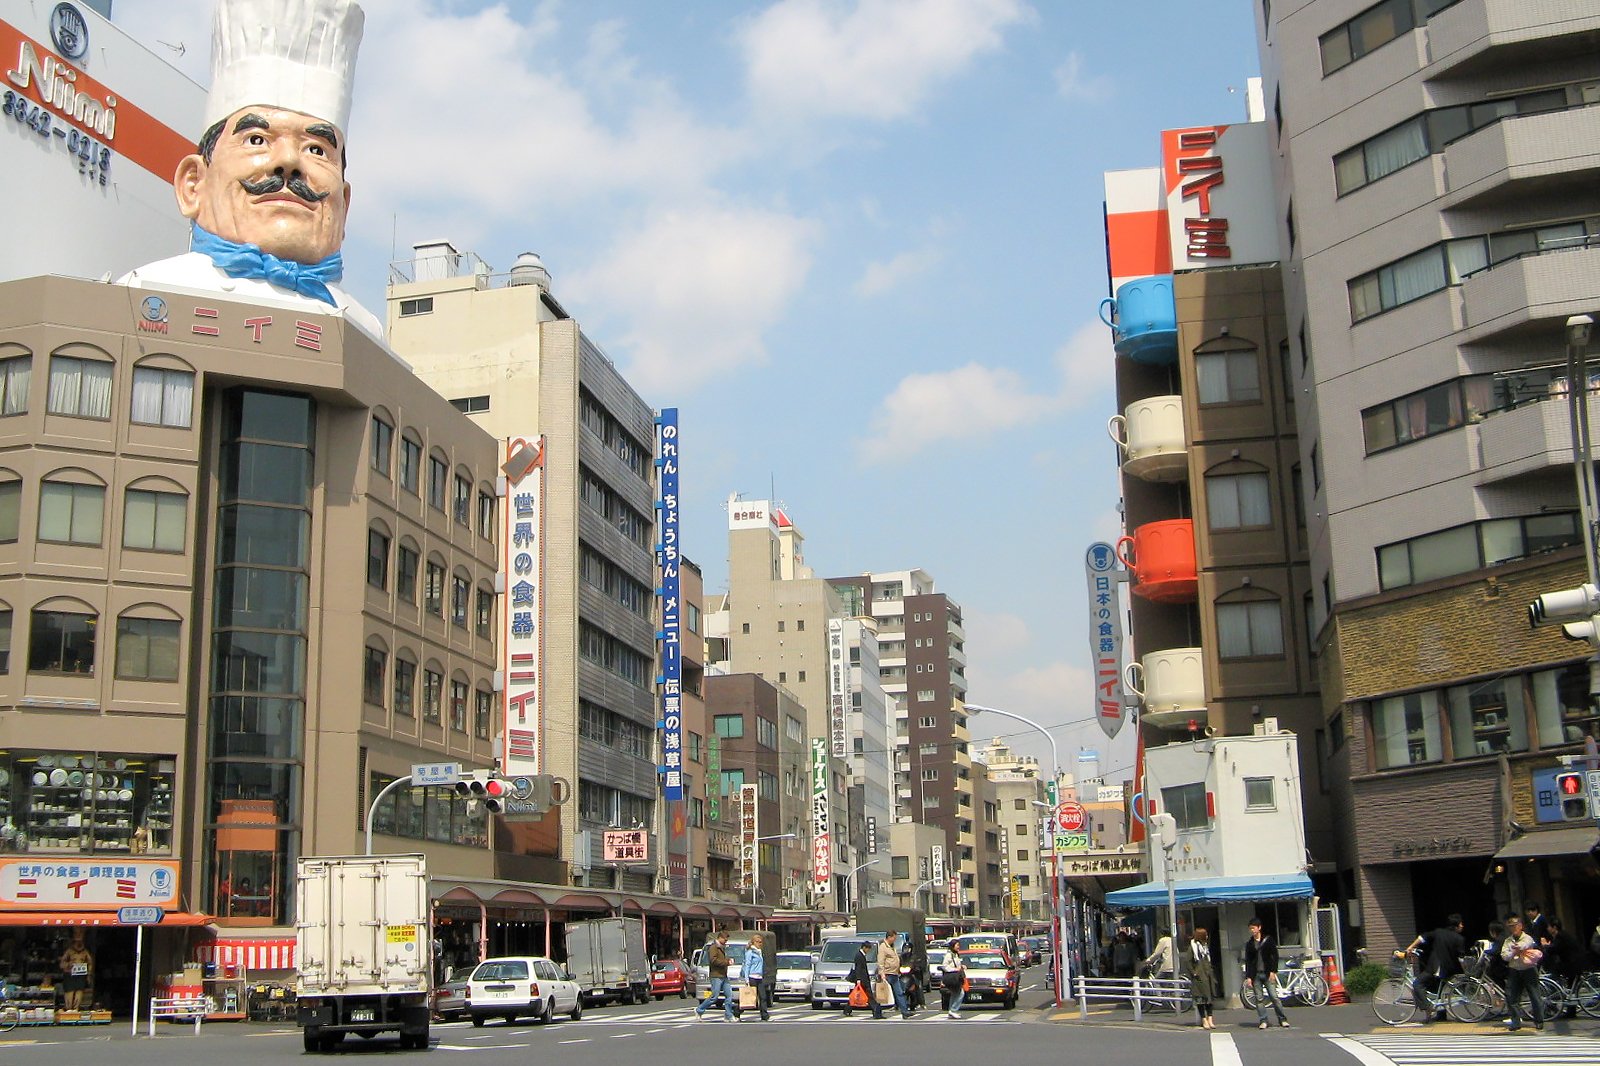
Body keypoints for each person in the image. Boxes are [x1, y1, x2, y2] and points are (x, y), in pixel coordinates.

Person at [117, 0, 384, 340]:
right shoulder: (144, 292)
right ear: (193, 185)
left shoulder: (364, 330)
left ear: (344, 207)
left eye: (316, 149)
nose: (287, 161)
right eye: (257, 139)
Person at [1400, 914, 1466, 1022]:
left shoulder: (1438, 933)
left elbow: (1422, 938)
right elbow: (1461, 958)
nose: (1462, 926)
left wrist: (1410, 947)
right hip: (1450, 969)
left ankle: (1427, 1007)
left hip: (1437, 967)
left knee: (1417, 984)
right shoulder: (1459, 939)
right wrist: (1464, 971)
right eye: (1461, 924)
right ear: (1456, 926)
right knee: (1439, 991)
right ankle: (1441, 1015)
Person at [1500, 914, 1545, 1031]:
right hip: (1514, 970)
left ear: (1520, 926)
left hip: (1528, 969)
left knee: (1534, 995)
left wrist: (1517, 948)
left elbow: (1526, 945)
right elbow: (1504, 955)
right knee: (1512, 996)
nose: (1513, 928)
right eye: (1510, 926)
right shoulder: (1507, 941)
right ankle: (1515, 1021)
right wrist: (1513, 953)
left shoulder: (1527, 938)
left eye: (1515, 925)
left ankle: (1539, 1020)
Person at [1243, 917, 1289, 1029]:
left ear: (1259, 928)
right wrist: (1249, 977)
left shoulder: (1268, 940)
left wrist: (1273, 971)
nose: (1252, 931)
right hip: (1256, 975)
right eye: (1250, 929)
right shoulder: (1249, 944)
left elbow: (1275, 956)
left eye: (1253, 928)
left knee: (1274, 997)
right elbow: (1248, 961)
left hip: (1268, 973)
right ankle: (1263, 1020)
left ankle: (1282, 1019)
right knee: (1259, 999)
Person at [695, 932, 735, 1022]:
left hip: (724, 975)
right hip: (716, 975)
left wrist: (727, 961)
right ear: (720, 938)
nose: (726, 941)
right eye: (725, 940)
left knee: (729, 995)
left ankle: (728, 1015)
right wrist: (726, 962)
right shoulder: (714, 947)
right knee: (714, 996)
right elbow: (713, 960)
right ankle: (699, 1010)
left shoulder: (722, 948)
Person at [877, 931, 912, 1019]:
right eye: (893, 938)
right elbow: (880, 961)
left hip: (895, 973)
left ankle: (905, 1011)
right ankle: (877, 1012)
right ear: (889, 937)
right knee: (884, 994)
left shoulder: (892, 946)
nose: (894, 940)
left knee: (899, 993)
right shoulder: (883, 947)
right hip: (887, 973)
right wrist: (882, 973)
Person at [845, 940, 882, 1019]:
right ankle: (876, 1011)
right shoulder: (859, 955)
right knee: (869, 996)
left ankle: (847, 1009)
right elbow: (858, 968)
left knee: (856, 995)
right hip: (862, 980)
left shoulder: (861, 955)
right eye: (868, 949)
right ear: (864, 947)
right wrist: (858, 979)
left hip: (862, 979)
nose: (868, 951)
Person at [1189, 929, 1217, 1030]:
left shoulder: (1205, 947)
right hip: (1199, 978)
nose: (1207, 937)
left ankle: (1210, 1019)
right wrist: (1194, 972)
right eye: (1205, 935)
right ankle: (1204, 1019)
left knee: (1209, 999)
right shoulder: (1193, 947)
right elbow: (1188, 962)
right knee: (1201, 999)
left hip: (1208, 975)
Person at [1543, 918, 1584, 986]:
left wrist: (1546, 946)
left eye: (1549, 926)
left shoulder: (1560, 936)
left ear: (1554, 927)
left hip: (1573, 962)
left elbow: (1555, 949)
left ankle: (1555, 992)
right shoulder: (1562, 934)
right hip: (1574, 961)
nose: (1547, 928)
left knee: (1555, 970)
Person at [739, 933, 770, 1022]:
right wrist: (747, 979)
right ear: (753, 942)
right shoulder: (750, 952)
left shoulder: (760, 952)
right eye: (758, 942)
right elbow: (747, 965)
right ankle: (737, 1012)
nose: (760, 944)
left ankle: (765, 1016)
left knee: (763, 996)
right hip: (752, 976)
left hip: (759, 977)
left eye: (761, 942)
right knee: (750, 997)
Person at [59, 932, 93, 1012]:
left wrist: (89, 973)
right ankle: (68, 1007)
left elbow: (90, 963)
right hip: (70, 974)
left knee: (79, 991)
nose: (79, 944)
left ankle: (76, 1007)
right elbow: (62, 964)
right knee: (69, 991)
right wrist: (68, 964)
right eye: (77, 942)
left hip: (81, 975)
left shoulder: (85, 952)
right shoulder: (69, 951)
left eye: (80, 942)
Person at [942, 949, 967, 1018]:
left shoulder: (956, 954)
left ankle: (952, 1011)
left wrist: (961, 967)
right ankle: (953, 1010)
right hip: (952, 977)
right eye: (957, 945)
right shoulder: (949, 955)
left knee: (954, 994)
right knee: (960, 993)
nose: (958, 947)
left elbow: (956, 964)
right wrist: (955, 969)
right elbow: (944, 966)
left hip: (956, 977)